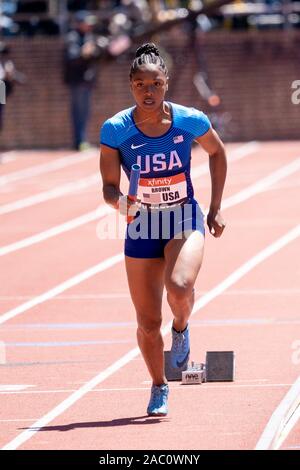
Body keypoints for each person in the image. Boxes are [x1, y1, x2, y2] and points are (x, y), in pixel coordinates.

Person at [99, 42, 226, 416]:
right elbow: (108, 188)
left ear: (166, 83)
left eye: (154, 84)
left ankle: (182, 327)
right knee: (148, 322)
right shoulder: (116, 130)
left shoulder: (189, 120)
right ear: (131, 87)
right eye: (139, 85)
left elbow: (217, 152)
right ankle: (159, 385)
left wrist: (215, 208)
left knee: (180, 286)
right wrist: (123, 203)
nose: (147, 92)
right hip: (141, 226)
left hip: (182, 216)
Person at [63, 10, 101, 151]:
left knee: (85, 112)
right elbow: (71, 58)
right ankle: (79, 141)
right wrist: (83, 52)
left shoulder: (88, 36)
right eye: (86, 23)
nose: (89, 26)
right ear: (79, 23)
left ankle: (81, 140)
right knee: (79, 112)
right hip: (77, 80)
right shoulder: (72, 37)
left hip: (86, 80)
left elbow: (95, 56)